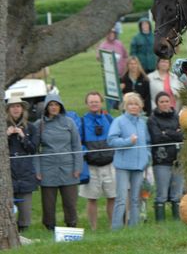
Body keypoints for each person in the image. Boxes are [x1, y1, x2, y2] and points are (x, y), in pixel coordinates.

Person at [33, 94, 83, 230]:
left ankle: (71, 226)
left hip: (69, 168)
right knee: (48, 203)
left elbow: (77, 146)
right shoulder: (39, 125)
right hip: (47, 168)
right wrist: (37, 171)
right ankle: (50, 227)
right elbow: (35, 150)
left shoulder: (69, 122)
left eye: (56, 104)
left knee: (70, 202)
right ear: (46, 107)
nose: (53, 107)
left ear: (60, 106)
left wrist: (78, 167)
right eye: (50, 105)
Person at [107, 92, 151, 230]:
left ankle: (134, 228)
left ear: (140, 107)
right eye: (130, 104)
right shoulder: (118, 121)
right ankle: (116, 229)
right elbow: (111, 140)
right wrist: (128, 141)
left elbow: (147, 143)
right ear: (125, 106)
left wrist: (147, 158)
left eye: (136, 104)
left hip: (139, 166)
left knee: (136, 199)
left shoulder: (142, 123)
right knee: (121, 199)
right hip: (123, 166)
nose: (133, 107)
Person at [79, 92, 116, 230]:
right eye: (91, 102)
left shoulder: (108, 118)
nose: (94, 104)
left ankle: (113, 226)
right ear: (87, 104)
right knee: (92, 198)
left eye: (96, 101)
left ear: (101, 102)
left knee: (112, 196)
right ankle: (93, 228)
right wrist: (86, 152)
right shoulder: (82, 121)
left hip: (109, 164)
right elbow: (79, 142)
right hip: (91, 166)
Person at [148, 91, 184, 222]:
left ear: (171, 102)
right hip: (161, 160)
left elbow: (182, 136)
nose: (164, 104)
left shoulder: (177, 117)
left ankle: (177, 220)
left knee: (177, 193)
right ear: (157, 104)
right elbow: (157, 138)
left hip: (178, 159)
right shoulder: (152, 119)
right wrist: (174, 133)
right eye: (161, 102)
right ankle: (160, 222)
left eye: (166, 101)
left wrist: (167, 132)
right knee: (161, 194)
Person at [6, 95, 39, 232]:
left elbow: (33, 149)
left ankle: (23, 235)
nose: (16, 109)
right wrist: (5, 136)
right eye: (13, 106)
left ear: (23, 109)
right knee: (7, 211)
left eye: (18, 106)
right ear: (8, 110)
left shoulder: (30, 128)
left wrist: (22, 137)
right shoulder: (2, 127)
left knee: (25, 213)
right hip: (8, 175)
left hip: (25, 173)